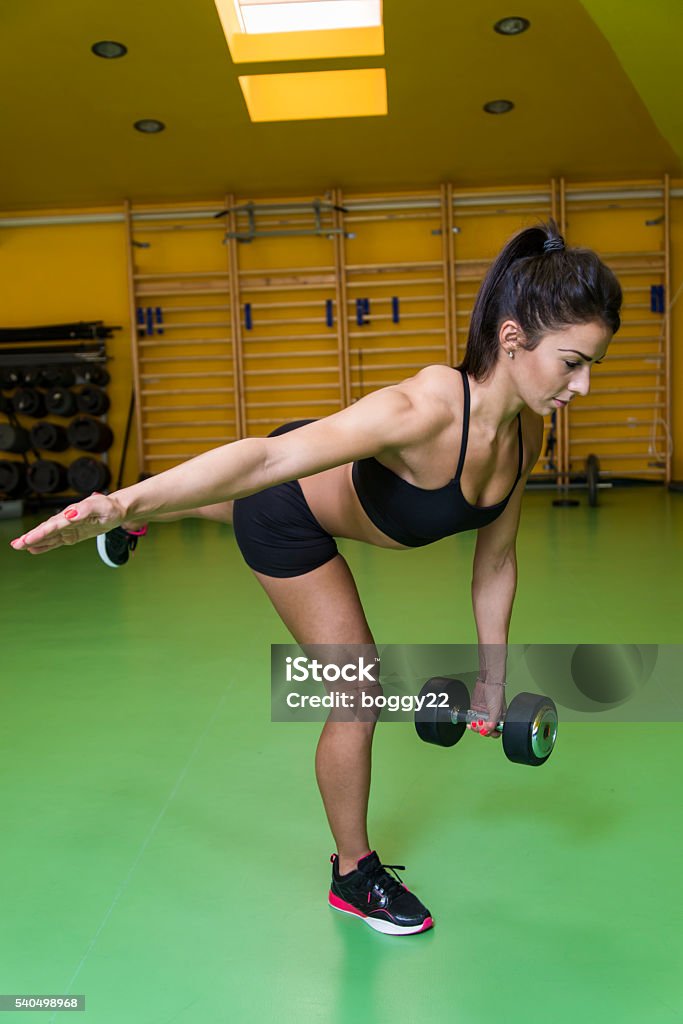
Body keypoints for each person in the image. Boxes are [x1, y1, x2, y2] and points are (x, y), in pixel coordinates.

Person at [10, 220, 622, 936]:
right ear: (513, 338)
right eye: (571, 362)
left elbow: (495, 560)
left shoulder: (528, 433)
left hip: (321, 497)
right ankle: (353, 874)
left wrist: (491, 677)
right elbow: (266, 465)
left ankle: (149, 509)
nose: (580, 386)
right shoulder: (420, 409)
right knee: (358, 688)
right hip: (289, 510)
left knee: (220, 506)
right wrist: (115, 499)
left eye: (592, 368)